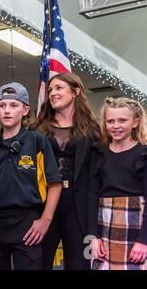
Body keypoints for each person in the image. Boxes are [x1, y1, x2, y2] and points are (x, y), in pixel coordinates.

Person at [0, 82, 62, 270]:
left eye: (14, 105)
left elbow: (54, 184)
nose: (7, 110)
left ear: (25, 110)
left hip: (27, 223)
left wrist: (45, 221)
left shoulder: (37, 141)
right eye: (2, 105)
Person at [32, 73, 100, 270]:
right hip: (44, 205)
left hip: (78, 207)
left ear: (76, 91)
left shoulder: (93, 130)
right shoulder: (36, 130)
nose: (53, 93)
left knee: (79, 265)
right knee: (37, 263)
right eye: (51, 89)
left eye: (59, 88)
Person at [88, 97, 147, 270]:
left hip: (136, 225)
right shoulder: (99, 153)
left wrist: (143, 241)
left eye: (122, 120)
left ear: (135, 122)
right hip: (104, 224)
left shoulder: (145, 154)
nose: (116, 125)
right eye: (110, 121)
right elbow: (91, 197)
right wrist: (93, 236)